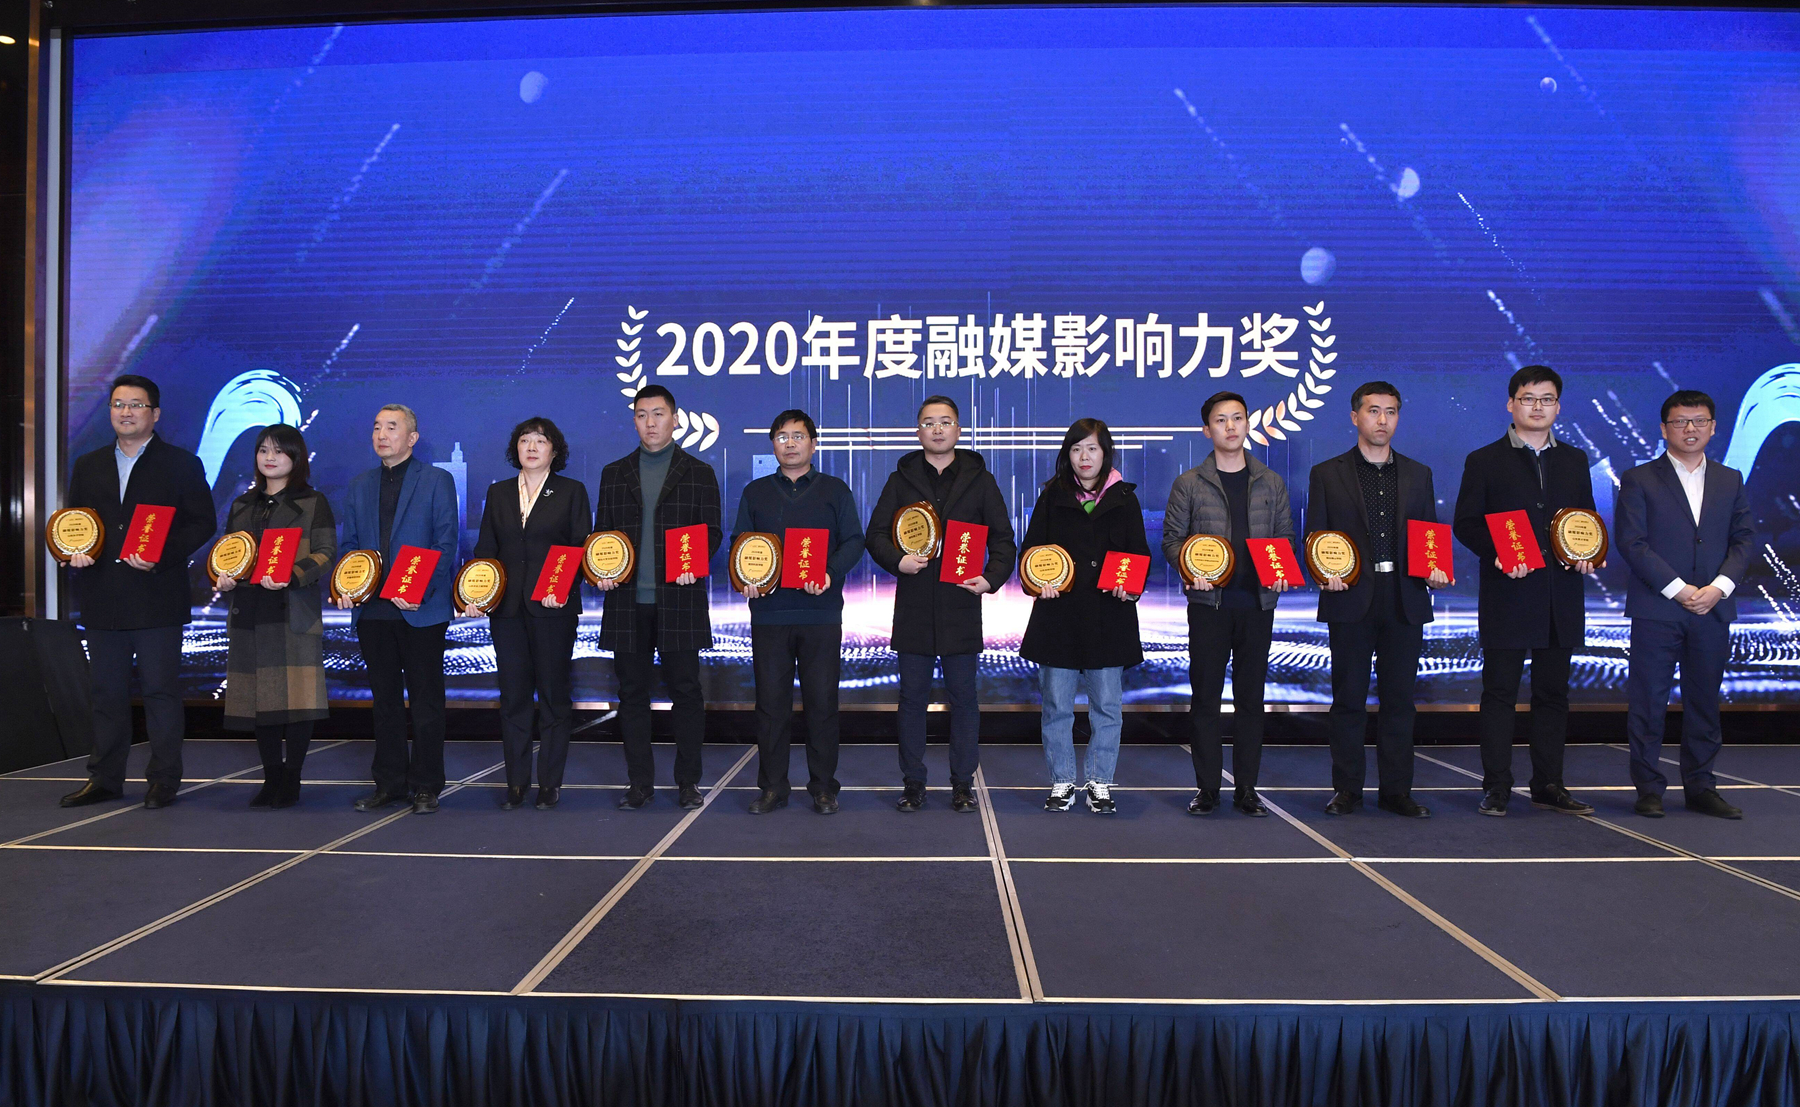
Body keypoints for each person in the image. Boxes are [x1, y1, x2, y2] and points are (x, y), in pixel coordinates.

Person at [59, 374, 215, 809]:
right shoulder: (88, 464)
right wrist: (74, 552)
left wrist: (162, 554)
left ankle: (164, 780)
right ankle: (105, 779)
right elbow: (77, 522)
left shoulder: (181, 463)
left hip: (156, 596)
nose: (125, 412)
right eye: (118, 404)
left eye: (135, 405)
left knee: (160, 692)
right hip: (102, 597)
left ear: (155, 413)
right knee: (105, 694)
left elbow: (202, 522)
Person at [1452, 365, 1599, 817]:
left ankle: (1549, 784)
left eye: (1546, 399)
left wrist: (1588, 553)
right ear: (1511, 404)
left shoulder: (1574, 460)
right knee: (1499, 694)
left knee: (1553, 696)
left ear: (1558, 406)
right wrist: (1497, 551)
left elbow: (1585, 521)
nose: (1538, 407)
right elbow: (1466, 523)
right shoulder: (1484, 460)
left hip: (1560, 596)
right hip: (1508, 593)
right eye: (1528, 398)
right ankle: (1497, 786)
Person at [866, 395, 1016, 813]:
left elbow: (1004, 540)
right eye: (929, 422)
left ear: (958, 430)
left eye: (945, 422)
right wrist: (898, 561)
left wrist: (991, 578)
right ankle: (913, 782)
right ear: (918, 431)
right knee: (912, 699)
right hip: (914, 604)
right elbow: (875, 534)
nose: (937, 429)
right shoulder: (901, 479)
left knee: (964, 699)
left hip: (960, 603)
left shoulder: (980, 480)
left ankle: (962, 783)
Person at [1307, 382, 1446, 819]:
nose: (1382, 419)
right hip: (1349, 596)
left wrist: (1436, 570)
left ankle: (1396, 791)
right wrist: (1323, 573)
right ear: (1355, 417)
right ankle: (1347, 789)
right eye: (1373, 411)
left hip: (1405, 596)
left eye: (1391, 411)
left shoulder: (1419, 474)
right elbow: (1316, 536)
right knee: (1348, 699)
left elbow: (1429, 535)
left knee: (1399, 701)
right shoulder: (1327, 473)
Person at [1615, 389, 1756, 819]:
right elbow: (1632, 543)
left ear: (1713, 427)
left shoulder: (1730, 479)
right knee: (1648, 702)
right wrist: (1678, 589)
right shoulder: (1639, 478)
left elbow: (1744, 540)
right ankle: (1648, 789)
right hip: (1657, 609)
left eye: (1699, 421)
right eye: (1680, 421)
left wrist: (1719, 587)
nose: (1690, 429)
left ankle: (1701, 787)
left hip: (1713, 608)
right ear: (1664, 429)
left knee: (1704, 702)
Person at [1161, 391, 1295, 817]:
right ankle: (1207, 789)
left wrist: (1282, 570)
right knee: (1205, 699)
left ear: (1248, 424)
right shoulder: (1189, 483)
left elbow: (1285, 539)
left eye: (1238, 418)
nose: (1231, 426)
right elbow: (1172, 540)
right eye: (1221, 420)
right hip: (1209, 606)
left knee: (1251, 701)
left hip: (1257, 605)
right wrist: (1188, 568)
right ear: (1207, 430)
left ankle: (1247, 789)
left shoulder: (1271, 481)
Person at [594, 385, 722, 810]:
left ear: (675, 419)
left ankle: (688, 782)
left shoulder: (699, 472)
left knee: (686, 693)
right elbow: (603, 536)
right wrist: (601, 570)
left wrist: (694, 563)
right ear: (634, 421)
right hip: (626, 600)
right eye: (642, 414)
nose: (650, 422)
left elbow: (712, 531)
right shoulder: (614, 473)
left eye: (659, 414)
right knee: (631, 695)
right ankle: (640, 783)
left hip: (679, 599)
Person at [733, 410, 865, 815]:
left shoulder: (834, 490)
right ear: (772, 444)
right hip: (770, 614)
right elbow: (741, 544)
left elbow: (854, 541)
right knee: (771, 706)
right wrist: (746, 578)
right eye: (782, 437)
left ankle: (823, 787)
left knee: (822, 704)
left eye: (798, 436)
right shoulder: (755, 492)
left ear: (814, 443)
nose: (789, 443)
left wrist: (829, 572)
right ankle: (773, 787)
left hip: (820, 613)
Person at [1019, 419, 1149, 814]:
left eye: (1092, 448)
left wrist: (1132, 587)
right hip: (1058, 617)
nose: (1084, 457)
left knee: (1107, 707)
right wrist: (1037, 582)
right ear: (1067, 455)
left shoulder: (1125, 498)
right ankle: (1062, 781)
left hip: (1109, 617)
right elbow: (1031, 553)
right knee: (1056, 707)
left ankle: (1099, 782)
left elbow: (1138, 555)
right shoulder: (1052, 496)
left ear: (1105, 453)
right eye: (1076, 449)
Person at [336, 404, 459, 815]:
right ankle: (388, 783)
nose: (382, 435)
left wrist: (420, 588)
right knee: (384, 702)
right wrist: (348, 586)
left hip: (420, 609)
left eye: (392, 427)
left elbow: (445, 542)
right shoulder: (360, 485)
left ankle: (426, 785)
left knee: (426, 701)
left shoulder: (437, 480)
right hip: (374, 611)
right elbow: (350, 547)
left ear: (412, 438)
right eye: (376, 427)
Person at [465, 417, 591, 811]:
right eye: (525, 440)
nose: (532, 447)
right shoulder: (499, 492)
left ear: (555, 450)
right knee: (513, 698)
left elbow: (579, 547)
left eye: (541, 440)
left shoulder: (571, 492)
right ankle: (516, 783)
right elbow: (486, 551)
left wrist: (562, 588)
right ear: (515, 448)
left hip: (553, 609)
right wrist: (477, 594)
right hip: (506, 610)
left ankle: (549, 783)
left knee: (554, 697)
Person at [217, 424, 336, 808]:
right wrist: (223, 576)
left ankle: (292, 777)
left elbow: (325, 553)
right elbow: (229, 553)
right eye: (263, 450)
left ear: (295, 458)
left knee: (298, 702)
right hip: (250, 609)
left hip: (292, 609)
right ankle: (271, 777)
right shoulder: (242, 505)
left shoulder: (313, 502)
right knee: (260, 702)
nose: (270, 457)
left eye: (279, 451)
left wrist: (292, 574)